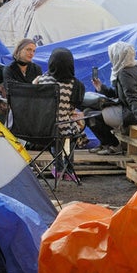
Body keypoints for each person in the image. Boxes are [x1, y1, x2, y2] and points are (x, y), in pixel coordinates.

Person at [87, 41, 137, 153]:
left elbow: (132, 98)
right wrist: (101, 88)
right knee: (92, 113)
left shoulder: (124, 73)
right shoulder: (135, 68)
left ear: (118, 56)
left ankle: (114, 145)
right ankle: (105, 143)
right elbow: (120, 94)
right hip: (129, 110)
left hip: (129, 114)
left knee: (89, 115)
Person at [33, 48, 85, 181]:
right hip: (63, 128)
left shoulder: (40, 80)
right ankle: (68, 169)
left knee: (55, 128)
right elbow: (75, 106)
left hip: (40, 128)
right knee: (74, 126)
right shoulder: (76, 84)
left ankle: (58, 166)